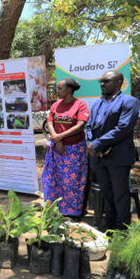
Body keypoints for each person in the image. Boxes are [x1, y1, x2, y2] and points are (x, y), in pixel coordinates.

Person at [86, 70, 140, 231]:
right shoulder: (97, 103)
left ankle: (122, 229)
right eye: (101, 81)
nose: (102, 84)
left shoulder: (129, 102)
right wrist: (92, 143)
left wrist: (97, 144)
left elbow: (123, 128)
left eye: (106, 81)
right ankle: (109, 226)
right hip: (99, 157)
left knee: (120, 194)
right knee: (107, 192)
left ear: (118, 83)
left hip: (118, 156)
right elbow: (89, 126)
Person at [41, 78, 90, 221]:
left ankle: (73, 212)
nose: (57, 91)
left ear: (69, 90)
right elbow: (50, 121)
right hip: (57, 149)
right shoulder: (56, 105)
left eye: (60, 88)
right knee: (54, 179)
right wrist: (57, 139)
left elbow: (81, 126)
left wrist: (60, 137)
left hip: (75, 150)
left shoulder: (80, 105)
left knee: (73, 181)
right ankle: (56, 208)